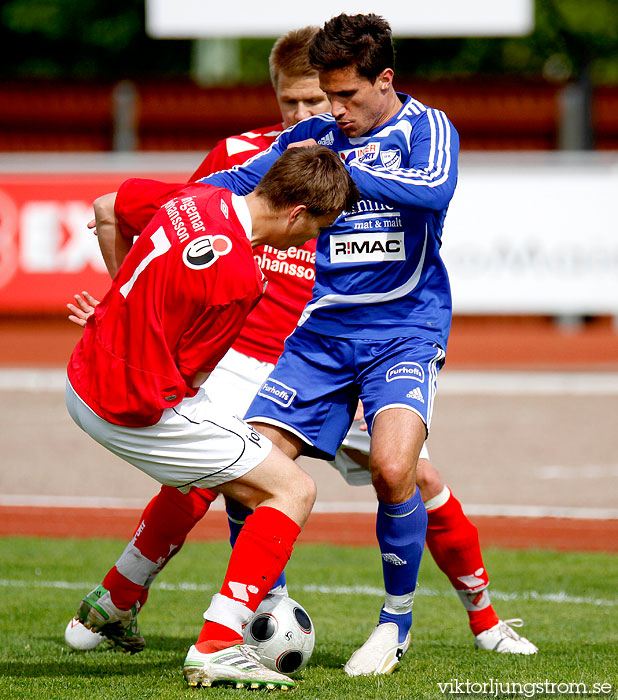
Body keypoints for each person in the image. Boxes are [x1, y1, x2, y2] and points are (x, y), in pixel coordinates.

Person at [65, 24, 536, 669]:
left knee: (401, 469)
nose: (323, 111)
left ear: (383, 83)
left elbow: (431, 192)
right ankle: (227, 617)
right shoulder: (301, 148)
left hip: (401, 327)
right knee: (251, 469)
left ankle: (421, 625)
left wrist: (336, 173)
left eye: (336, 97)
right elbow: (235, 189)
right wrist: (151, 247)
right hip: (313, 337)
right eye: (304, 99)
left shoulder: (423, 131)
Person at [65, 145, 359, 690]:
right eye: (317, 227)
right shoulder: (241, 281)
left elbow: (107, 210)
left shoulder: (199, 197)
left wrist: (114, 310)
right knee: (290, 489)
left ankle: (116, 600)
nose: (312, 240)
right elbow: (191, 376)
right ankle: (218, 645)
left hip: (82, 374)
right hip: (126, 405)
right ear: (296, 213)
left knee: (228, 475)